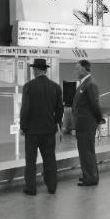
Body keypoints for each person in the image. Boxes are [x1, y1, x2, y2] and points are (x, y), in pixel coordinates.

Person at [19, 59, 63, 195]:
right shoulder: (55, 87)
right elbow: (60, 109)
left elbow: (25, 109)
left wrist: (23, 127)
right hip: (49, 130)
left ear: (36, 70)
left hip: (32, 131)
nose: (33, 72)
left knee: (31, 160)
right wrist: (55, 123)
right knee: (50, 158)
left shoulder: (28, 86)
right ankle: (52, 187)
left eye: (33, 69)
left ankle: (31, 188)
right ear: (45, 70)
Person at [72, 60, 105, 186]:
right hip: (83, 124)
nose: (76, 71)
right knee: (84, 151)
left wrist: (99, 119)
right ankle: (88, 175)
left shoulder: (90, 84)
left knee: (87, 151)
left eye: (77, 68)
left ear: (84, 69)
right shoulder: (84, 84)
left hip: (87, 124)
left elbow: (95, 104)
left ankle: (91, 178)